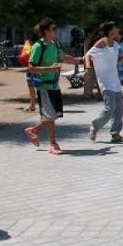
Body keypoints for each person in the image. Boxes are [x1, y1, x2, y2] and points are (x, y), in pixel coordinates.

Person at [23, 18, 83, 155]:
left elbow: (63, 56)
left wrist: (78, 60)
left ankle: (33, 130)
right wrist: (49, 69)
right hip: (44, 86)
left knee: (52, 116)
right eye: (53, 29)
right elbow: (31, 68)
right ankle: (53, 144)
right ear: (45, 31)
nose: (56, 31)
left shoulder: (55, 44)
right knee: (50, 117)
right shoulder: (39, 46)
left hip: (54, 86)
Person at [86, 21, 123, 143]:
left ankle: (115, 134)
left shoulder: (116, 45)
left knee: (119, 109)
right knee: (109, 108)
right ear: (109, 30)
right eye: (115, 28)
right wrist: (88, 67)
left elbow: (115, 62)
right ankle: (95, 126)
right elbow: (88, 55)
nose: (117, 30)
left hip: (115, 81)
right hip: (105, 82)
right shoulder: (102, 42)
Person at [23, 25, 40, 112]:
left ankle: (32, 105)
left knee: (31, 87)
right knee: (40, 87)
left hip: (33, 67)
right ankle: (34, 105)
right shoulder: (45, 42)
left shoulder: (32, 42)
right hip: (40, 67)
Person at [83, 27, 100, 100]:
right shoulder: (87, 40)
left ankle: (92, 93)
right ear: (88, 33)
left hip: (93, 61)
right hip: (89, 62)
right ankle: (88, 94)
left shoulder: (93, 40)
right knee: (89, 78)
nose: (93, 34)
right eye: (92, 33)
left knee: (93, 78)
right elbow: (86, 52)